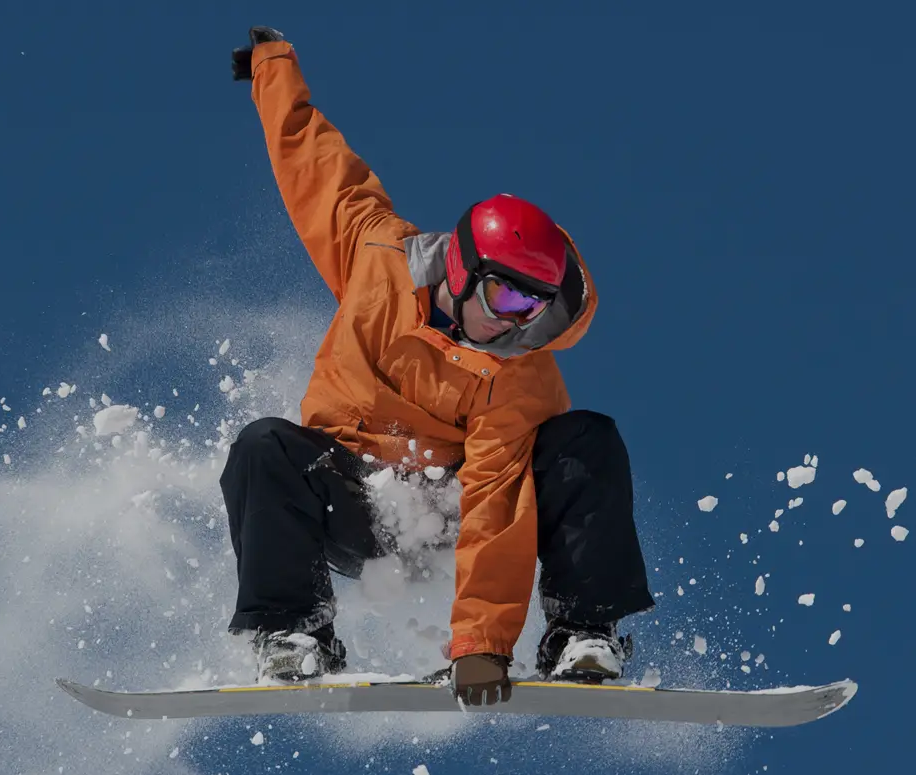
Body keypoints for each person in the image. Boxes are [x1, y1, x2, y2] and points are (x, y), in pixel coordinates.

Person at [222, 26, 655, 706]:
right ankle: (294, 632)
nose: (517, 321)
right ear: (461, 268)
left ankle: (582, 631)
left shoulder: (520, 371)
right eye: (506, 295)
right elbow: (310, 160)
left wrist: (480, 646)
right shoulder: (376, 259)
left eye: (534, 306)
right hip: (352, 502)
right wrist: (272, 68)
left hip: (449, 514)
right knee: (263, 446)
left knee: (585, 442)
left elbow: (498, 505)